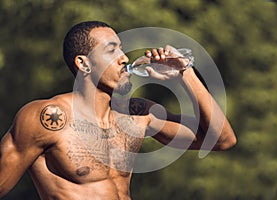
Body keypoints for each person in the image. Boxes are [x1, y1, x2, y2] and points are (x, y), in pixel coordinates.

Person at [0, 21, 236, 199]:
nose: (124, 58)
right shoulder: (48, 118)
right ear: (83, 63)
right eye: (111, 50)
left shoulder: (138, 114)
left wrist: (184, 73)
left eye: (122, 49)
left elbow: (222, 140)